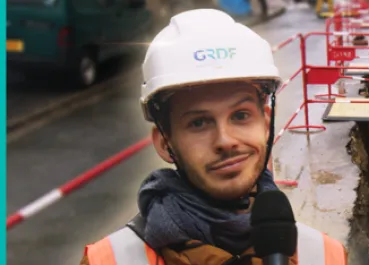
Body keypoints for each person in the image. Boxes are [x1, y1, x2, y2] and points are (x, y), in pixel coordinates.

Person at [80, 9, 347, 265]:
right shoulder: (110, 261)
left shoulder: (324, 256)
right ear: (165, 143)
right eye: (198, 123)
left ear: (265, 125)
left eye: (241, 116)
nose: (225, 140)